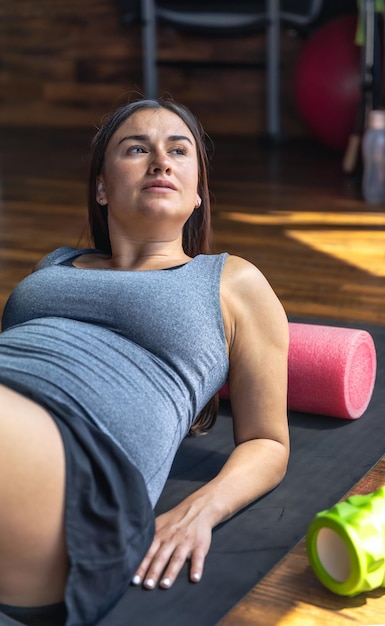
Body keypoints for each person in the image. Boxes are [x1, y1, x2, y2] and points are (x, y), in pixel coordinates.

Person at [0, 98, 289, 626]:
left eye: (179, 151)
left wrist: (200, 510)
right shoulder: (56, 263)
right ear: (102, 187)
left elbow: (267, 441)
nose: (161, 160)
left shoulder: (233, 282)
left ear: (198, 192)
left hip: (77, 467)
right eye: (137, 148)